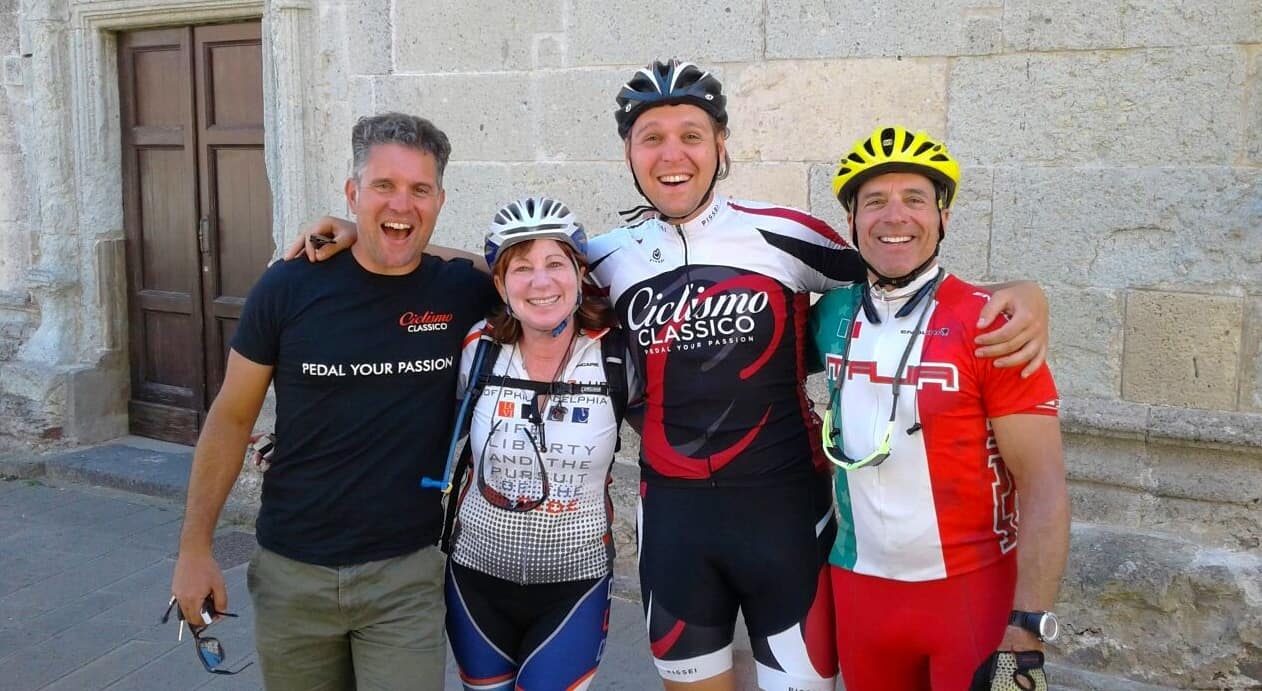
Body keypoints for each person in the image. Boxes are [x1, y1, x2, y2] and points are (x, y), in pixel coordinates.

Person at [290, 60, 1050, 691]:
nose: (672, 153)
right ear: (629, 154)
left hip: (785, 514)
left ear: (721, 145)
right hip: (676, 522)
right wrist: (377, 235)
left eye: (691, 134)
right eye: (651, 137)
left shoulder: (784, 234)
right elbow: (516, 269)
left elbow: (901, 268)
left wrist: (1021, 292)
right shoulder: (609, 255)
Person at [169, 112, 498, 690]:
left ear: (441, 200)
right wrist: (194, 549)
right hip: (293, 574)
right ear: (352, 192)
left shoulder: (458, 290)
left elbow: (528, 274)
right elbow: (231, 417)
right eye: (383, 187)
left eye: (420, 190)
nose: (402, 203)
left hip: (404, 576)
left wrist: (381, 228)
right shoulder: (287, 287)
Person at [810, 126, 1069, 691]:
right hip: (859, 590)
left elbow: (1044, 483)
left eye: (915, 199)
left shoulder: (995, 325)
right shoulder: (828, 315)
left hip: (972, 597)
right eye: (874, 201)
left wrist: (1029, 625)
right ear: (851, 220)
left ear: (943, 217)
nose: (894, 216)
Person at [443, 196, 632, 690]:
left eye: (555, 263)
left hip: (576, 586)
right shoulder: (479, 347)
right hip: (475, 581)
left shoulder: (616, 353)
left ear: (580, 273)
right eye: (521, 268)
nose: (541, 282)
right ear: (500, 285)